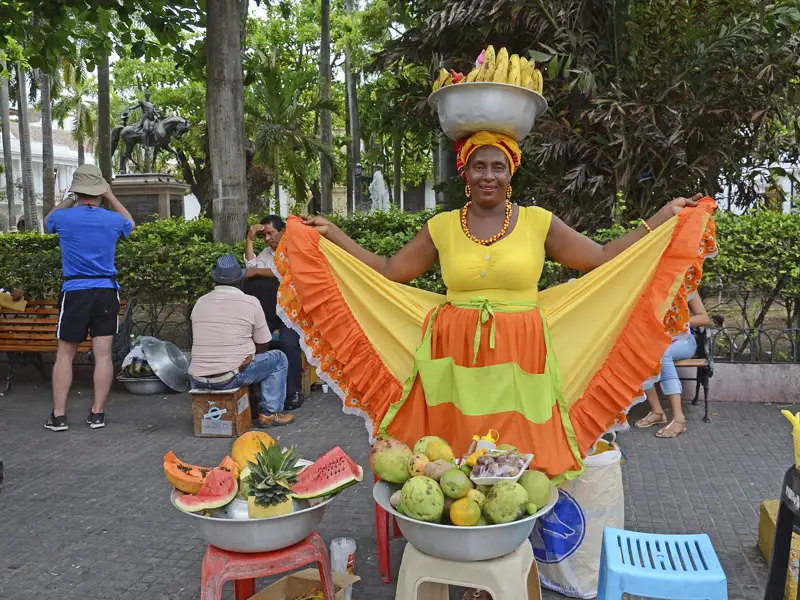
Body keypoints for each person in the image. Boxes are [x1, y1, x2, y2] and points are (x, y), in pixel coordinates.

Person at [274, 130, 717, 482]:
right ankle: (461, 545)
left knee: (518, 456)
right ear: (465, 174)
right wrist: (335, 237)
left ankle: (513, 551)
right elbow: (390, 270)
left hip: (523, 353)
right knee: (454, 455)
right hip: (451, 354)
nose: (489, 175)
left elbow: (599, 258)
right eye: (479, 166)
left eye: (498, 167)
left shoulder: (538, 221)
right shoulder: (443, 226)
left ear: (511, 174)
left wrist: (657, 222)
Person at [43, 164, 135, 432]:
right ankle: (97, 413)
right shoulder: (113, 220)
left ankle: (59, 416)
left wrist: (68, 198)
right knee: (104, 355)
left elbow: (47, 221)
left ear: (77, 190)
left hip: (75, 292)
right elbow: (131, 223)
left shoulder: (64, 217)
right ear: (99, 191)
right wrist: (112, 197)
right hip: (106, 291)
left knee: (65, 354)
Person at [189, 255, 294, 427]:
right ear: (241, 281)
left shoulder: (200, 302)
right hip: (228, 378)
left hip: (196, 378)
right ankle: (270, 412)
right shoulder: (250, 302)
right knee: (279, 358)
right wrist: (250, 354)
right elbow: (264, 344)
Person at [243, 216, 304, 411]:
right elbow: (251, 268)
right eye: (265, 235)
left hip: (291, 312)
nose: (268, 238)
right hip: (269, 312)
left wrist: (260, 272)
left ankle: (294, 392)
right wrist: (250, 239)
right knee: (253, 341)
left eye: (272, 233)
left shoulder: (294, 250)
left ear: (284, 231)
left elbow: (288, 271)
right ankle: (252, 394)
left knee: (288, 343)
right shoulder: (266, 253)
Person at [635, 293, 710, 438]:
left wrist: (678, 322)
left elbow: (703, 318)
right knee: (641, 354)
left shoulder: (686, 286)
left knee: (663, 355)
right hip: (656, 340)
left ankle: (678, 419)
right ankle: (657, 412)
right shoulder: (651, 286)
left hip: (683, 340)